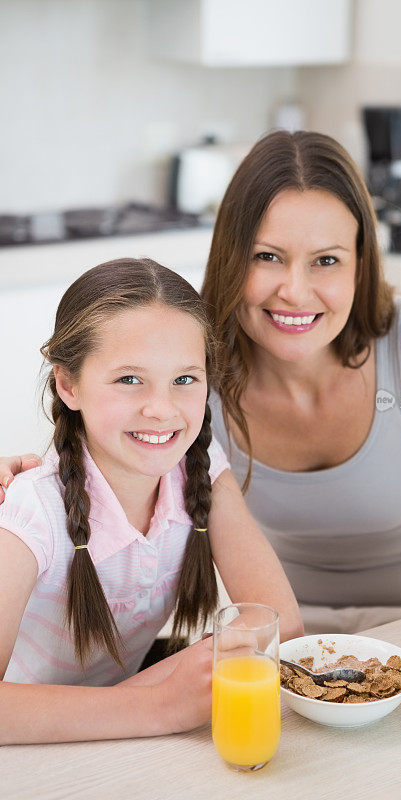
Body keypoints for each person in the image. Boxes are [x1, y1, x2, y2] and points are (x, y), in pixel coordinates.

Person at [2, 133, 401, 708]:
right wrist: (25, 477)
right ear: (232, 258)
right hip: (279, 652)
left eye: (326, 260)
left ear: (362, 265)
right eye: (266, 257)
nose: (294, 292)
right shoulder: (191, 357)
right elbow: (103, 444)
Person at [0, 257, 302, 746]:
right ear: (68, 384)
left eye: (184, 380)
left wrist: (149, 703)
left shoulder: (198, 466)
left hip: (119, 743)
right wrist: (157, 705)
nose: (161, 410)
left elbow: (278, 620)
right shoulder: (30, 512)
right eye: (128, 379)